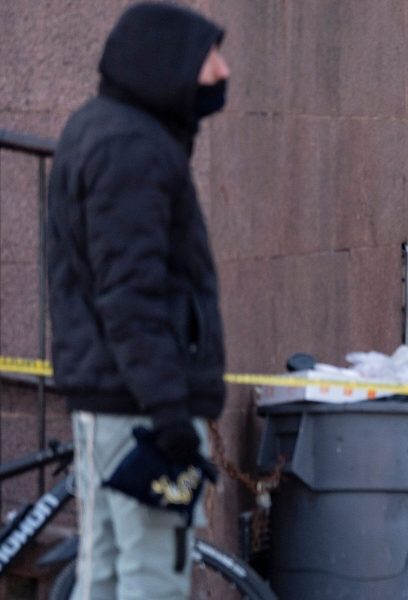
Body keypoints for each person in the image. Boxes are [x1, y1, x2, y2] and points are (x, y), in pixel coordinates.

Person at [43, 4, 231, 597]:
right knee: (150, 577)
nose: (223, 71)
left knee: (103, 574)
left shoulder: (107, 132)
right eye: (210, 57)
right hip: (142, 409)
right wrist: (170, 412)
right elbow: (130, 295)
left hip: (114, 401)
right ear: (167, 64)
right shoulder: (134, 148)